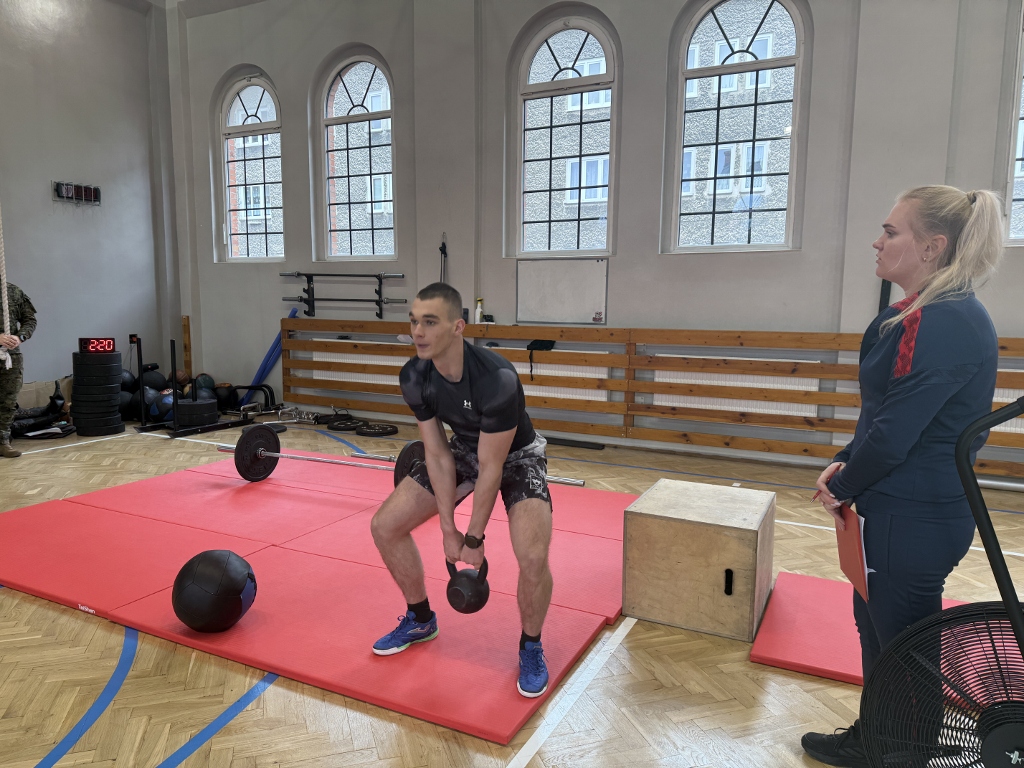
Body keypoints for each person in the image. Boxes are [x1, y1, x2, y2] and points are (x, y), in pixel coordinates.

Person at [801, 186, 1003, 768]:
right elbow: (885, 414)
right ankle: (879, 737)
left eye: (891, 232)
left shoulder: (943, 320)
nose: (877, 241)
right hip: (898, 506)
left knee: (905, 650)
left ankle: (906, 752)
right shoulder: (925, 312)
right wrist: (846, 459)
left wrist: (842, 485)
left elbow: (895, 434)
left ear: (932, 246)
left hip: (913, 514)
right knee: (881, 634)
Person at [370, 282, 554, 698]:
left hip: (518, 457)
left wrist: (472, 538)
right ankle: (420, 619)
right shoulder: (414, 375)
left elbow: (493, 467)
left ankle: (531, 647)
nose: (418, 332)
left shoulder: (497, 378)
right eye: (413, 321)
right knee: (385, 526)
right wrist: (447, 529)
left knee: (533, 555)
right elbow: (437, 455)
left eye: (430, 322)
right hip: (464, 451)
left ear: (458, 327)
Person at [0, 282, 37, 459]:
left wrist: (19, 337)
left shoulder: (13, 291)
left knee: (8, 402)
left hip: (10, 357)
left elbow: (30, 320)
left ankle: (3, 442)